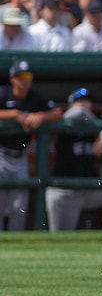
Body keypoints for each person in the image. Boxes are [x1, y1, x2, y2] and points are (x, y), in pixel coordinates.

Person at [44, 88, 102, 232]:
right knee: (61, 237)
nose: (84, 105)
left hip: (88, 191)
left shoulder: (95, 123)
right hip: (63, 192)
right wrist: (81, 112)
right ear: (71, 105)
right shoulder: (62, 123)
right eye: (79, 101)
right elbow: (78, 113)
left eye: (87, 101)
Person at [0, 60, 62, 231]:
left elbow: (57, 113)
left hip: (21, 156)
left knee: (19, 206)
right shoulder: (4, 93)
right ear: (13, 79)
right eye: (21, 77)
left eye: (28, 76)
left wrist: (41, 116)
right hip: (1, 155)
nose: (25, 80)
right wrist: (14, 114)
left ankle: (16, 243)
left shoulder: (34, 97)